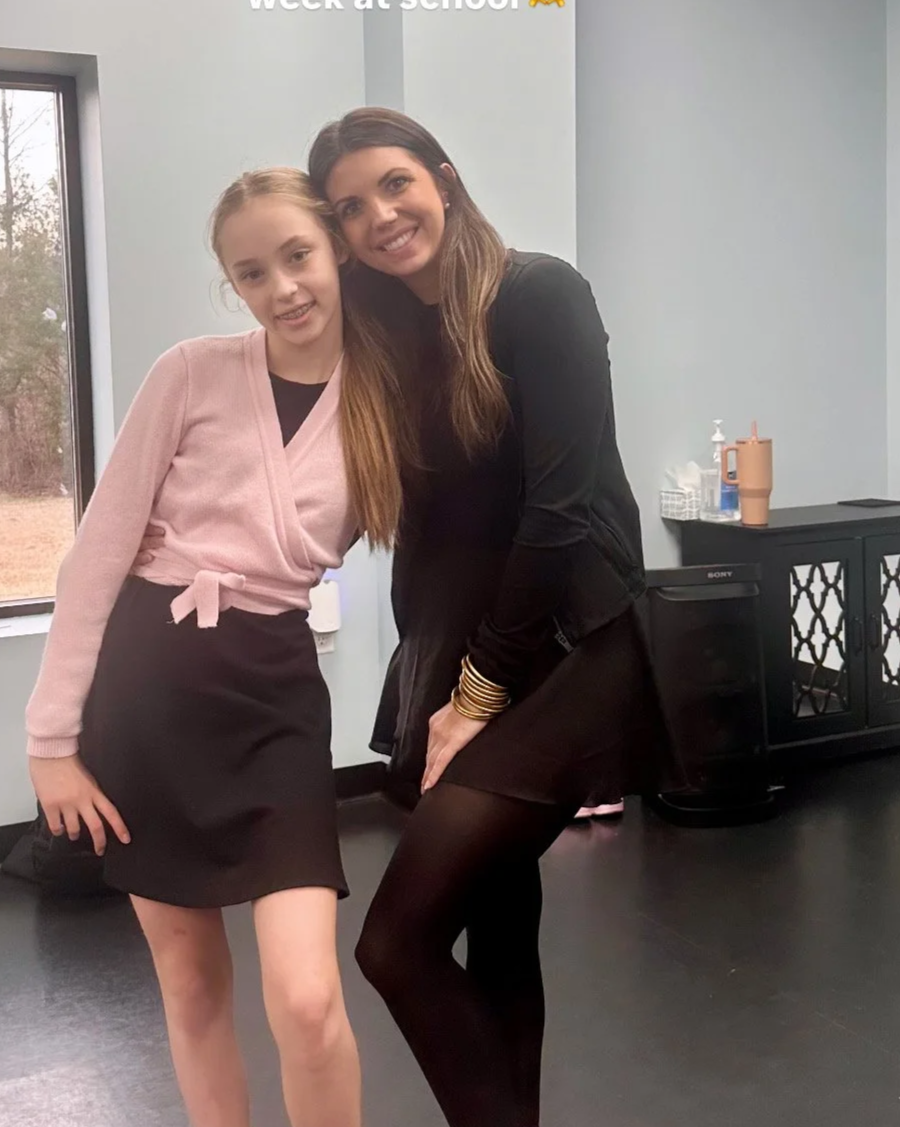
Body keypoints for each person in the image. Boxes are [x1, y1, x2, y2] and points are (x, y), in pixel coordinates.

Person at [305, 108, 682, 1127]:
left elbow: (560, 513)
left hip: (571, 647)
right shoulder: (387, 339)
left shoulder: (538, 293)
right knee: (498, 919)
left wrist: (474, 695)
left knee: (396, 941)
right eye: (350, 207)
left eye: (393, 185)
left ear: (442, 176)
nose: (379, 216)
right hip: (459, 641)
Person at [24, 167, 406, 1127]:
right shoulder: (190, 372)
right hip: (146, 697)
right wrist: (50, 744)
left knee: (307, 998)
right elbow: (97, 557)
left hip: (273, 699)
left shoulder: (389, 400)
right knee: (191, 987)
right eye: (251, 273)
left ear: (336, 251)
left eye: (296, 256)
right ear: (232, 287)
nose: (282, 288)